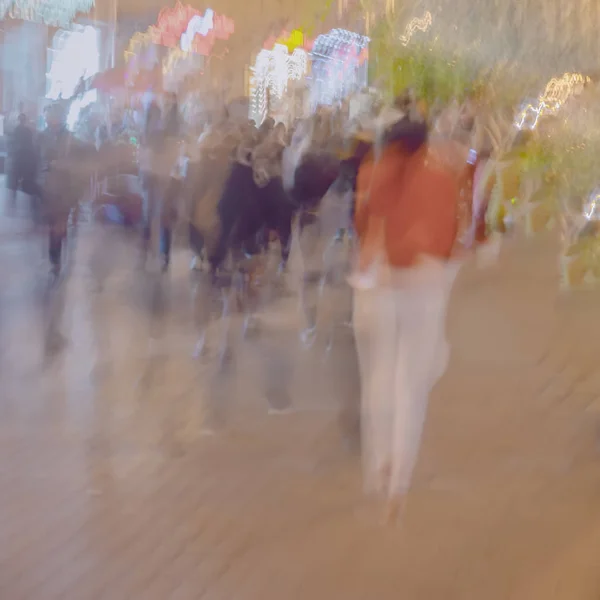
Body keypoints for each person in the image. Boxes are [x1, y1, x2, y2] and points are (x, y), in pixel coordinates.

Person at [352, 105, 466, 522]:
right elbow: (453, 235)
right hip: (423, 283)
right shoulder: (440, 176)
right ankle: (399, 480)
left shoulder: (373, 170)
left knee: (378, 378)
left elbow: (363, 225)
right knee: (411, 385)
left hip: (382, 282)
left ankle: (380, 463)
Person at [6, 113, 38, 213]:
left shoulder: (16, 130)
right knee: (27, 179)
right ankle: (30, 204)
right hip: (27, 157)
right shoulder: (28, 131)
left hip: (18, 157)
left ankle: (12, 202)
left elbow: (13, 143)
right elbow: (32, 144)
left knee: (15, 180)